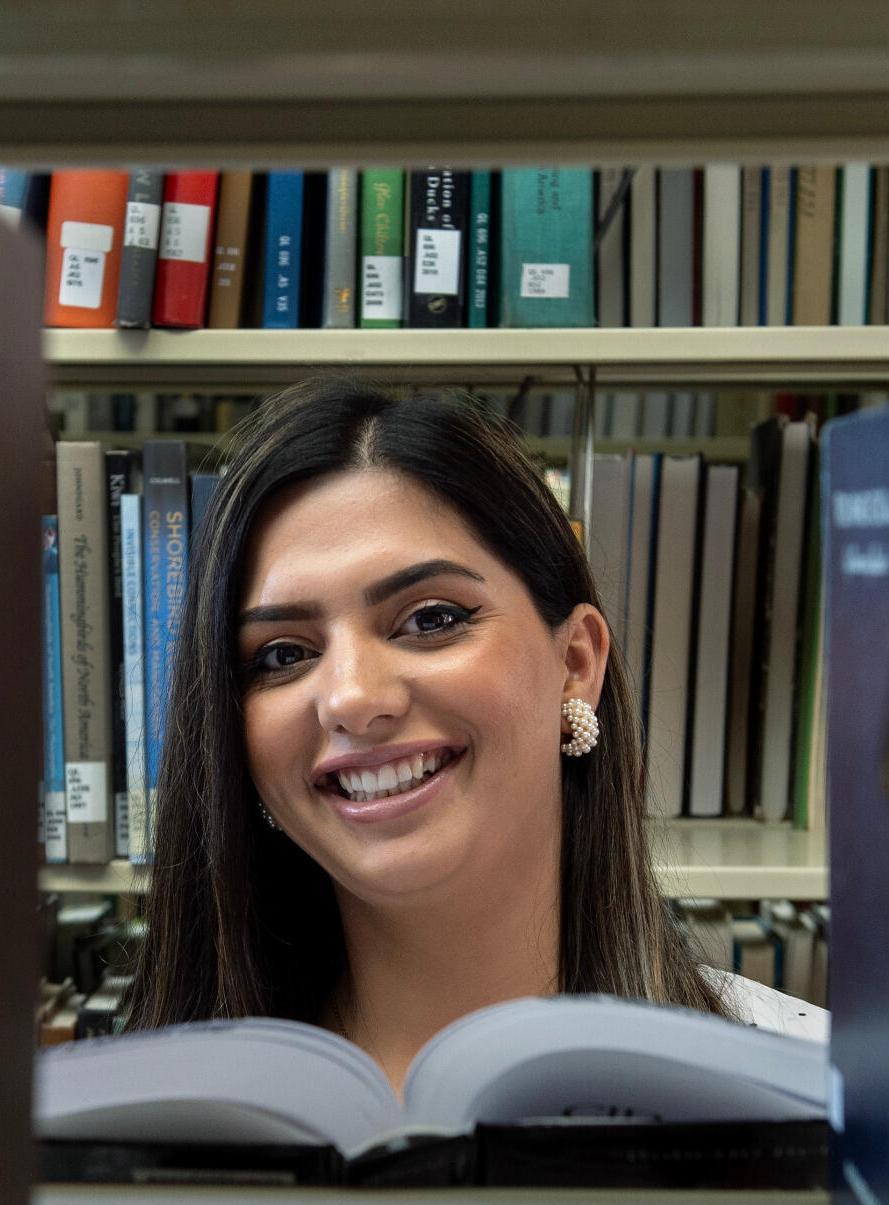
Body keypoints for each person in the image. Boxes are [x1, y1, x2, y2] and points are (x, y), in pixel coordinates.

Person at [127, 378, 823, 1091]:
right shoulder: (143, 1119)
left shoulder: (814, 1087)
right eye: (283, 655)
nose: (354, 699)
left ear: (576, 662)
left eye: (430, 618)